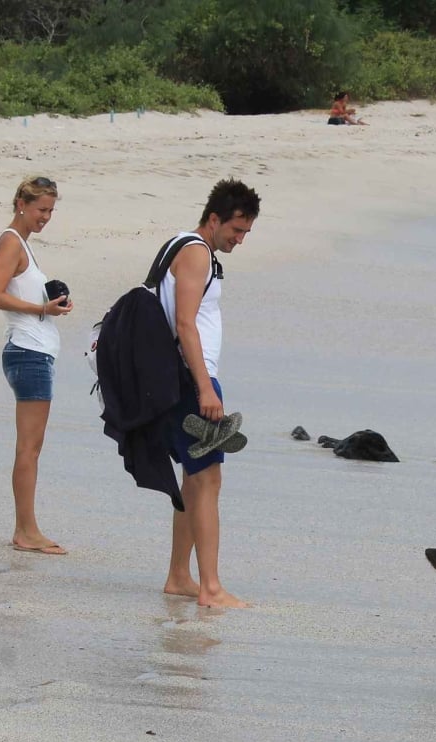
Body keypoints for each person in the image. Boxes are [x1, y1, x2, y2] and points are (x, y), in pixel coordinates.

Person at [154, 178, 260, 608]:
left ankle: (179, 576)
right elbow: (185, 323)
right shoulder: (196, 252)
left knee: (193, 479)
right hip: (190, 377)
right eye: (236, 229)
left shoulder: (179, 246)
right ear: (214, 219)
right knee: (208, 478)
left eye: (246, 232)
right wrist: (205, 387)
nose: (240, 239)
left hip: (182, 375)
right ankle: (210, 587)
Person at [0, 176, 73, 555]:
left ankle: (25, 528)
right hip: (27, 353)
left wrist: (51, 306)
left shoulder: (23, 244)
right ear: (21, 203)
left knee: (31, 447)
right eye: (41, 209)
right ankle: (26, 531)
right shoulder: (10, 241)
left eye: (51, 210)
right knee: (29, 448)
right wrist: (41, 309)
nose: (46, 217)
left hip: (34, 353)